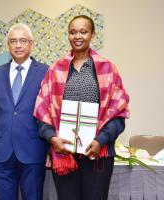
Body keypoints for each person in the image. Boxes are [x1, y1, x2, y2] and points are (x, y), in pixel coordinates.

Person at [33, 15, 130, 200]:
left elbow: (119, 115)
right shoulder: (55, 69)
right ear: (68, 35)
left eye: (83, 31)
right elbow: (42, 111)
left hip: (97, 154)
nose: (78, 36)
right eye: (73, 32)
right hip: (64, 153)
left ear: (92, 34)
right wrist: (52, 138)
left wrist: (101, 140)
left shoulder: (108, 69)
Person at [0, 23, 50, 200]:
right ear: (8, 45)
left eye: (23, 41)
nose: (18, 45)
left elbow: (51, 113)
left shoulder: (46, 72)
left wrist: (51, 149)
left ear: (31, 43)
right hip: (1, 150)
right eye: (13, 41)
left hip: (34, 149)